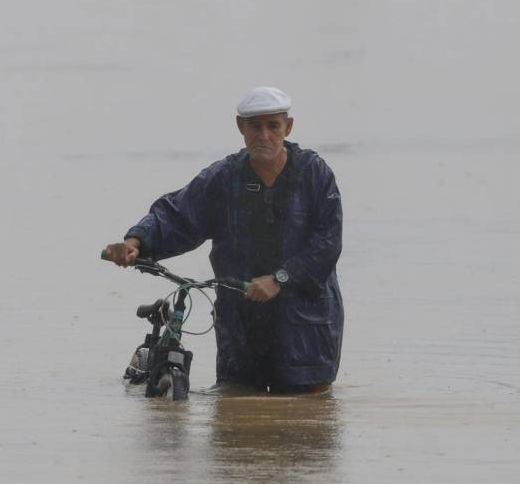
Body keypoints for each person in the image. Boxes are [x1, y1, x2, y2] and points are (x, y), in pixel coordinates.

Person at [103, 86, 344, 393]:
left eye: (273, 126)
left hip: (306, 328)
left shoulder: (315, 175)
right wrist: (136, 241)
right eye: (255, 126)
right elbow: (177, 214)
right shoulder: (223, 178)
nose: (264, 135)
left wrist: (280, 278)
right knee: (235, 412)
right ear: (240, 127)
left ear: (289, 127)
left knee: (306, 419)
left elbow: (327, 245)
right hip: (240, 323)